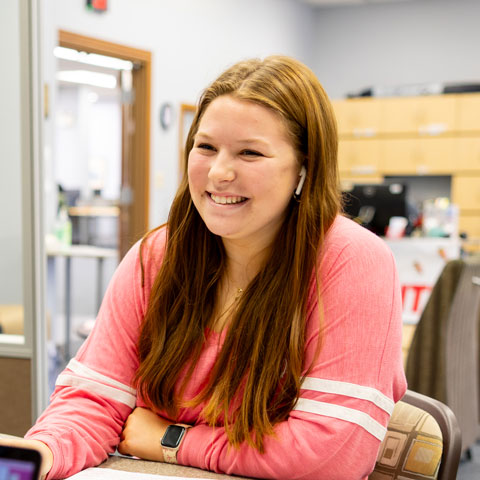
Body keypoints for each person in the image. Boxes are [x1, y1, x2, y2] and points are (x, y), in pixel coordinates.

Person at [2, 55, 406, 479]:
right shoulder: (157, 256)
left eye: (250, 153)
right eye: (206, 147)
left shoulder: (352, 261)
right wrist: (43, 452)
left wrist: (172, 441)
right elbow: (94, 400)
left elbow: (330, 456)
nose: (218, 172)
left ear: (304, 168)